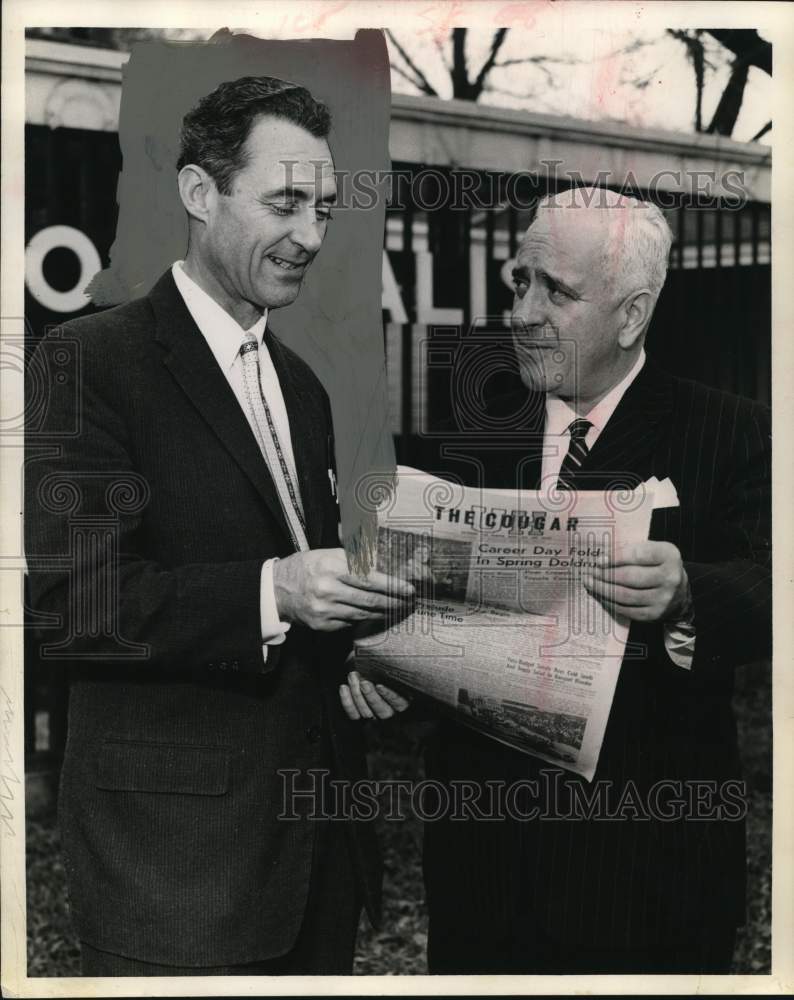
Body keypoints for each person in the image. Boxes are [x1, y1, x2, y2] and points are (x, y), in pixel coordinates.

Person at [24, 75, 413, 976]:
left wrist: (354, 661)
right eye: (284, 203)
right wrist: (273, 592)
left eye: (321, 208)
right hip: (174, 883)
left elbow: (303, 608)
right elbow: (74, 603)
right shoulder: (87, 361)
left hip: (315, 874)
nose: (311, 236)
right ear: (200, 193)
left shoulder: (304, 388)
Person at [417, 187, 771, 974]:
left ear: (632, 313)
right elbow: (434, 598)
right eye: (519, 282)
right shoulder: (473, 423)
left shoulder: (732, 431)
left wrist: (689, 593)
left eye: (557, 292)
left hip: (641, 881)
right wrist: (377, 659)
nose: (523, 311)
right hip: (478, 879)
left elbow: (772, 584)